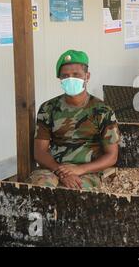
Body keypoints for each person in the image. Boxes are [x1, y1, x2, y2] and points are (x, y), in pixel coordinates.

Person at [28, 50, 120, 191]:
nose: (70, 79)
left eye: (76, 75)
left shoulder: (102, 110)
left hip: (88, 171)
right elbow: (39, 152)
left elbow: (111, 155)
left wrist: (80, 169)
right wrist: (61, 171)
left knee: (74, 196)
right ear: (59, 78)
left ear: (87, 76)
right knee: (40, 189)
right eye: (65, 76)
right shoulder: (48, 108)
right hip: (52, 169)